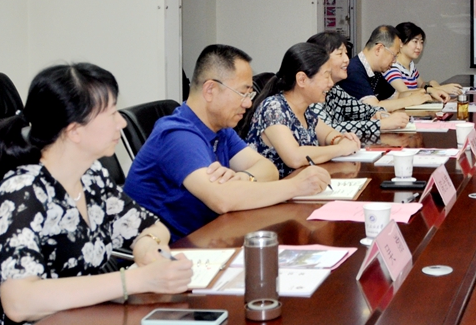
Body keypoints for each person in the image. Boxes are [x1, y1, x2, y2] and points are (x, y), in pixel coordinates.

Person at [0, 63, 194, 325]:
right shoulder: (21, 193)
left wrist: (148, 247)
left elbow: (152, 226)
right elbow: (19, 302)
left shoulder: (91, 176)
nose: (122, 123)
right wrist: (132, 280)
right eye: (111, 113)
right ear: (74, 131)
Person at [124, 45, 332, 240]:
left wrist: (244, 178)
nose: (248, 103)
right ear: (210, 90)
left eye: (250, 94)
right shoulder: (176, 134)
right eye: (243, 93)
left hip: (211, 237)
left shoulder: (221, 130)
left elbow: (268, 168)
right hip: (170, 252)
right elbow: (222, 200)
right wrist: (296, 186)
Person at [244, 43, 361, 176]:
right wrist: (340, 149)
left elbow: (328, 134)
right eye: (326, 76)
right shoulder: (273, 108)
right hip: (277, 187)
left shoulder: (305, 111)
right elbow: (295, 157)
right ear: (302, 79)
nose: (330, 83)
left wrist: (340, 139)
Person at [306, 31, 411, 142]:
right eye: (340, 54)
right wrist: (380, 124)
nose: (347, 60)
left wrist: (379, 113)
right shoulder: (310, 93)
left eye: (346, 53)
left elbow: (364, 109)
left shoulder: (335, 90)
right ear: (320, 59)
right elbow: (327, 131)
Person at [341, 25, 448, 108]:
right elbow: (374, 107)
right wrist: (411, 100)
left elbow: (397, 96)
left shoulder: (375, 71)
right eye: (394, 55)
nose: (395, 61)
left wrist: (428, 91)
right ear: (379, 49)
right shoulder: (353, 70)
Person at [385, 22, 461, 98]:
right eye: (415, 42)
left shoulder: (410, 64)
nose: (419, 47)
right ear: (400, 42)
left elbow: (421, 85)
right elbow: (407, 94)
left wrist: (432, 83)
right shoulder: (391, 67)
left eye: (421, 42)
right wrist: (439, 89)